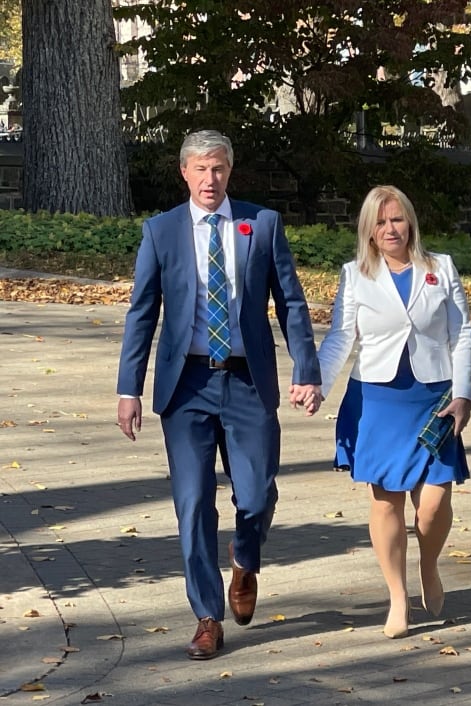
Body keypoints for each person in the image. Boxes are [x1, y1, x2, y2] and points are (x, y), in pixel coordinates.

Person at [116, 129, 322, 660]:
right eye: (201, 169)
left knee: (256, 495)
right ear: (184, 173)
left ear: (230, 172)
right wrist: (128, 388)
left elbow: (291, 303)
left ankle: (245, 557)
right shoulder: (160, 231)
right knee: (192, 503)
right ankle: (207, 616)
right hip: (185, 386)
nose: (211, 179)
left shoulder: (262, 224)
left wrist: (307, 368)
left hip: (247, 380)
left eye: (219, 169)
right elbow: (142, 313)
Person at [312, 185, 471, 639]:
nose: (390, 229)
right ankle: (397, 597)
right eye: (380, 222)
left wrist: (463, 392)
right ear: (368, 228)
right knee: (385, 500)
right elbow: (341, 338)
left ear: (411, 223)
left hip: (433, 397)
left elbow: (461, 335)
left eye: (397, 220)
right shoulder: (355, 275)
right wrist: (317, 386)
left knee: (433, 503)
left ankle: (429, 563)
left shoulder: (440, 268)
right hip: (378, 399)